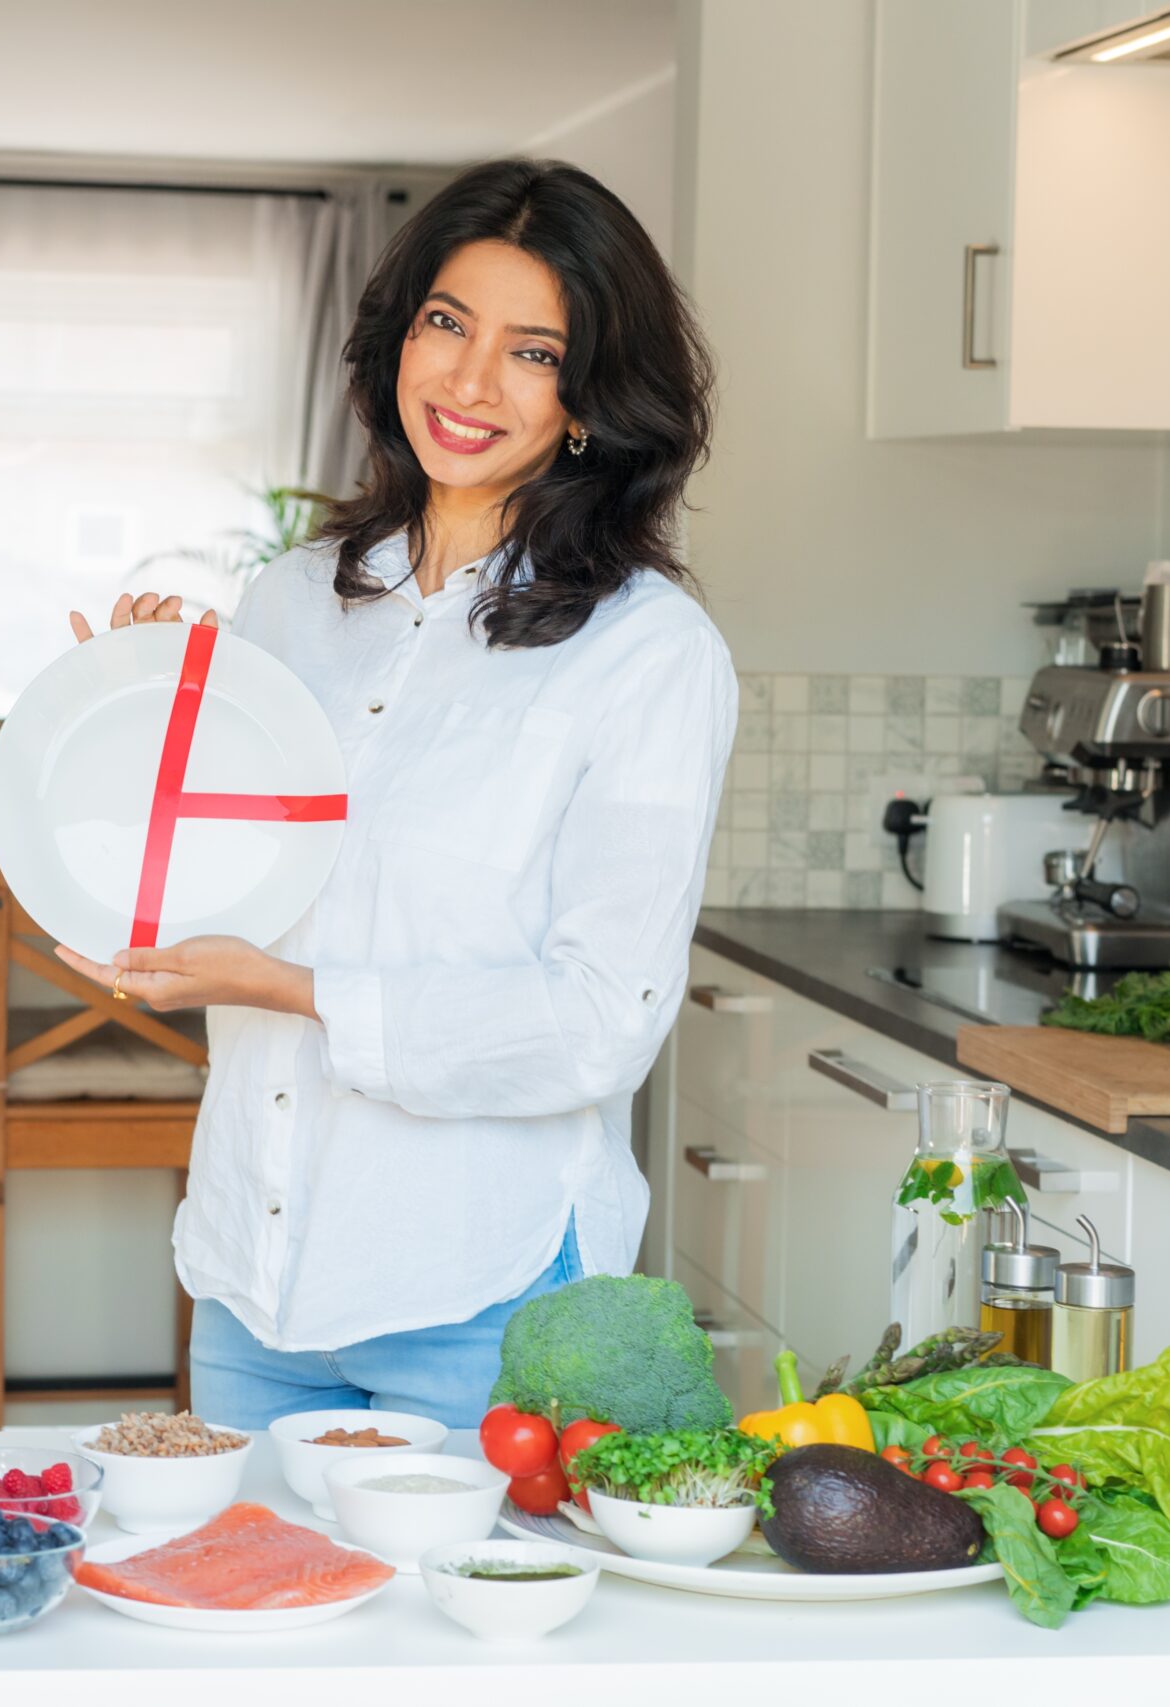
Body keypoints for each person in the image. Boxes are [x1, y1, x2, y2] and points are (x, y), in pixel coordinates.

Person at [58, 157, 734, 1431]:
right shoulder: (294, 599)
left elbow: (599, 1023)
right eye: (446, 323)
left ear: (591, 398)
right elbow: (230, 872)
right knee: (242, 1616)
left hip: (480, 1281)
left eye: (535, 352)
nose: (471, 382)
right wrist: (142, 705)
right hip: (255, 1273)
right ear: (396, 339)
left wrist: (295, 995)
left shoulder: (647, 653)